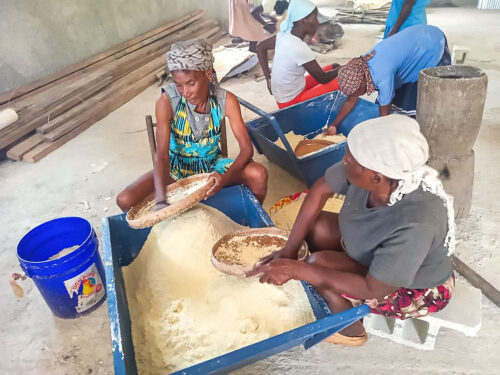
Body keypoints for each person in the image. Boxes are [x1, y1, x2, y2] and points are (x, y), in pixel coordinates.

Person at [248, 115, 455, 346]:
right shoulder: (375, 172)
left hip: (411, 286)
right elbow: (319, 191)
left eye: (349, 160)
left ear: (375, 177)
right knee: (317, 227)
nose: (344, 161)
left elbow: (374, 288)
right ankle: (326, 273)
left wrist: (296, 269)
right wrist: (289, 250)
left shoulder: (416, 222)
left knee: (315, 265)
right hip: (377, 253)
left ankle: (349, 327)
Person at [116, 40, 268, 212]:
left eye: (190, 83)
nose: (185, 92)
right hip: (175, 171)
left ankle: (249, 218)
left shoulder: (226, 100)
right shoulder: (167, 100)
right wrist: (160, 200)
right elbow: (162, 155)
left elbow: (247, 149)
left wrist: (223, 179)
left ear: (208, 74)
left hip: (212, 168)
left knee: (258, 174)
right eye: (178, 85)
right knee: (125, 200)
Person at [324, 24, 451, 135]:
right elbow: (351, 100)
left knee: (414, 99)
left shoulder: (382, 77)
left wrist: (379, 135)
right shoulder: (360, 66)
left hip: (430, 44)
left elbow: (384, 117)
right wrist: (333, 125)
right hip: (415, 37)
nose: (353, 97)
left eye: (355, 93)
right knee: (391, 98)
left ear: (362, 85)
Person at [256, 0, 340, 109]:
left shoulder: (283, 35)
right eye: (315, 18)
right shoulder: (299, 47)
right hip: (291, 102)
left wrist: (268, 78)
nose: (317, 23)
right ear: (304, 19)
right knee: (344, 78)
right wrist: (343, 69)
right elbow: (322, 79)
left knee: (334, 66)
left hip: (288, 93)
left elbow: (260, 47)